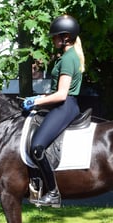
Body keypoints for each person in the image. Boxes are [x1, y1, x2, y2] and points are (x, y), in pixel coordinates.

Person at [22, 14, 85, 208]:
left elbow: (62, 94)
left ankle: (53, 193)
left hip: (65, 106)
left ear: (66, 37)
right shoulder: (67, 56)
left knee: (36, 147)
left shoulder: (68, 59)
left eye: (56, 36)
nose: (53, 39)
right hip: (64, 105)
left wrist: (38, 101)